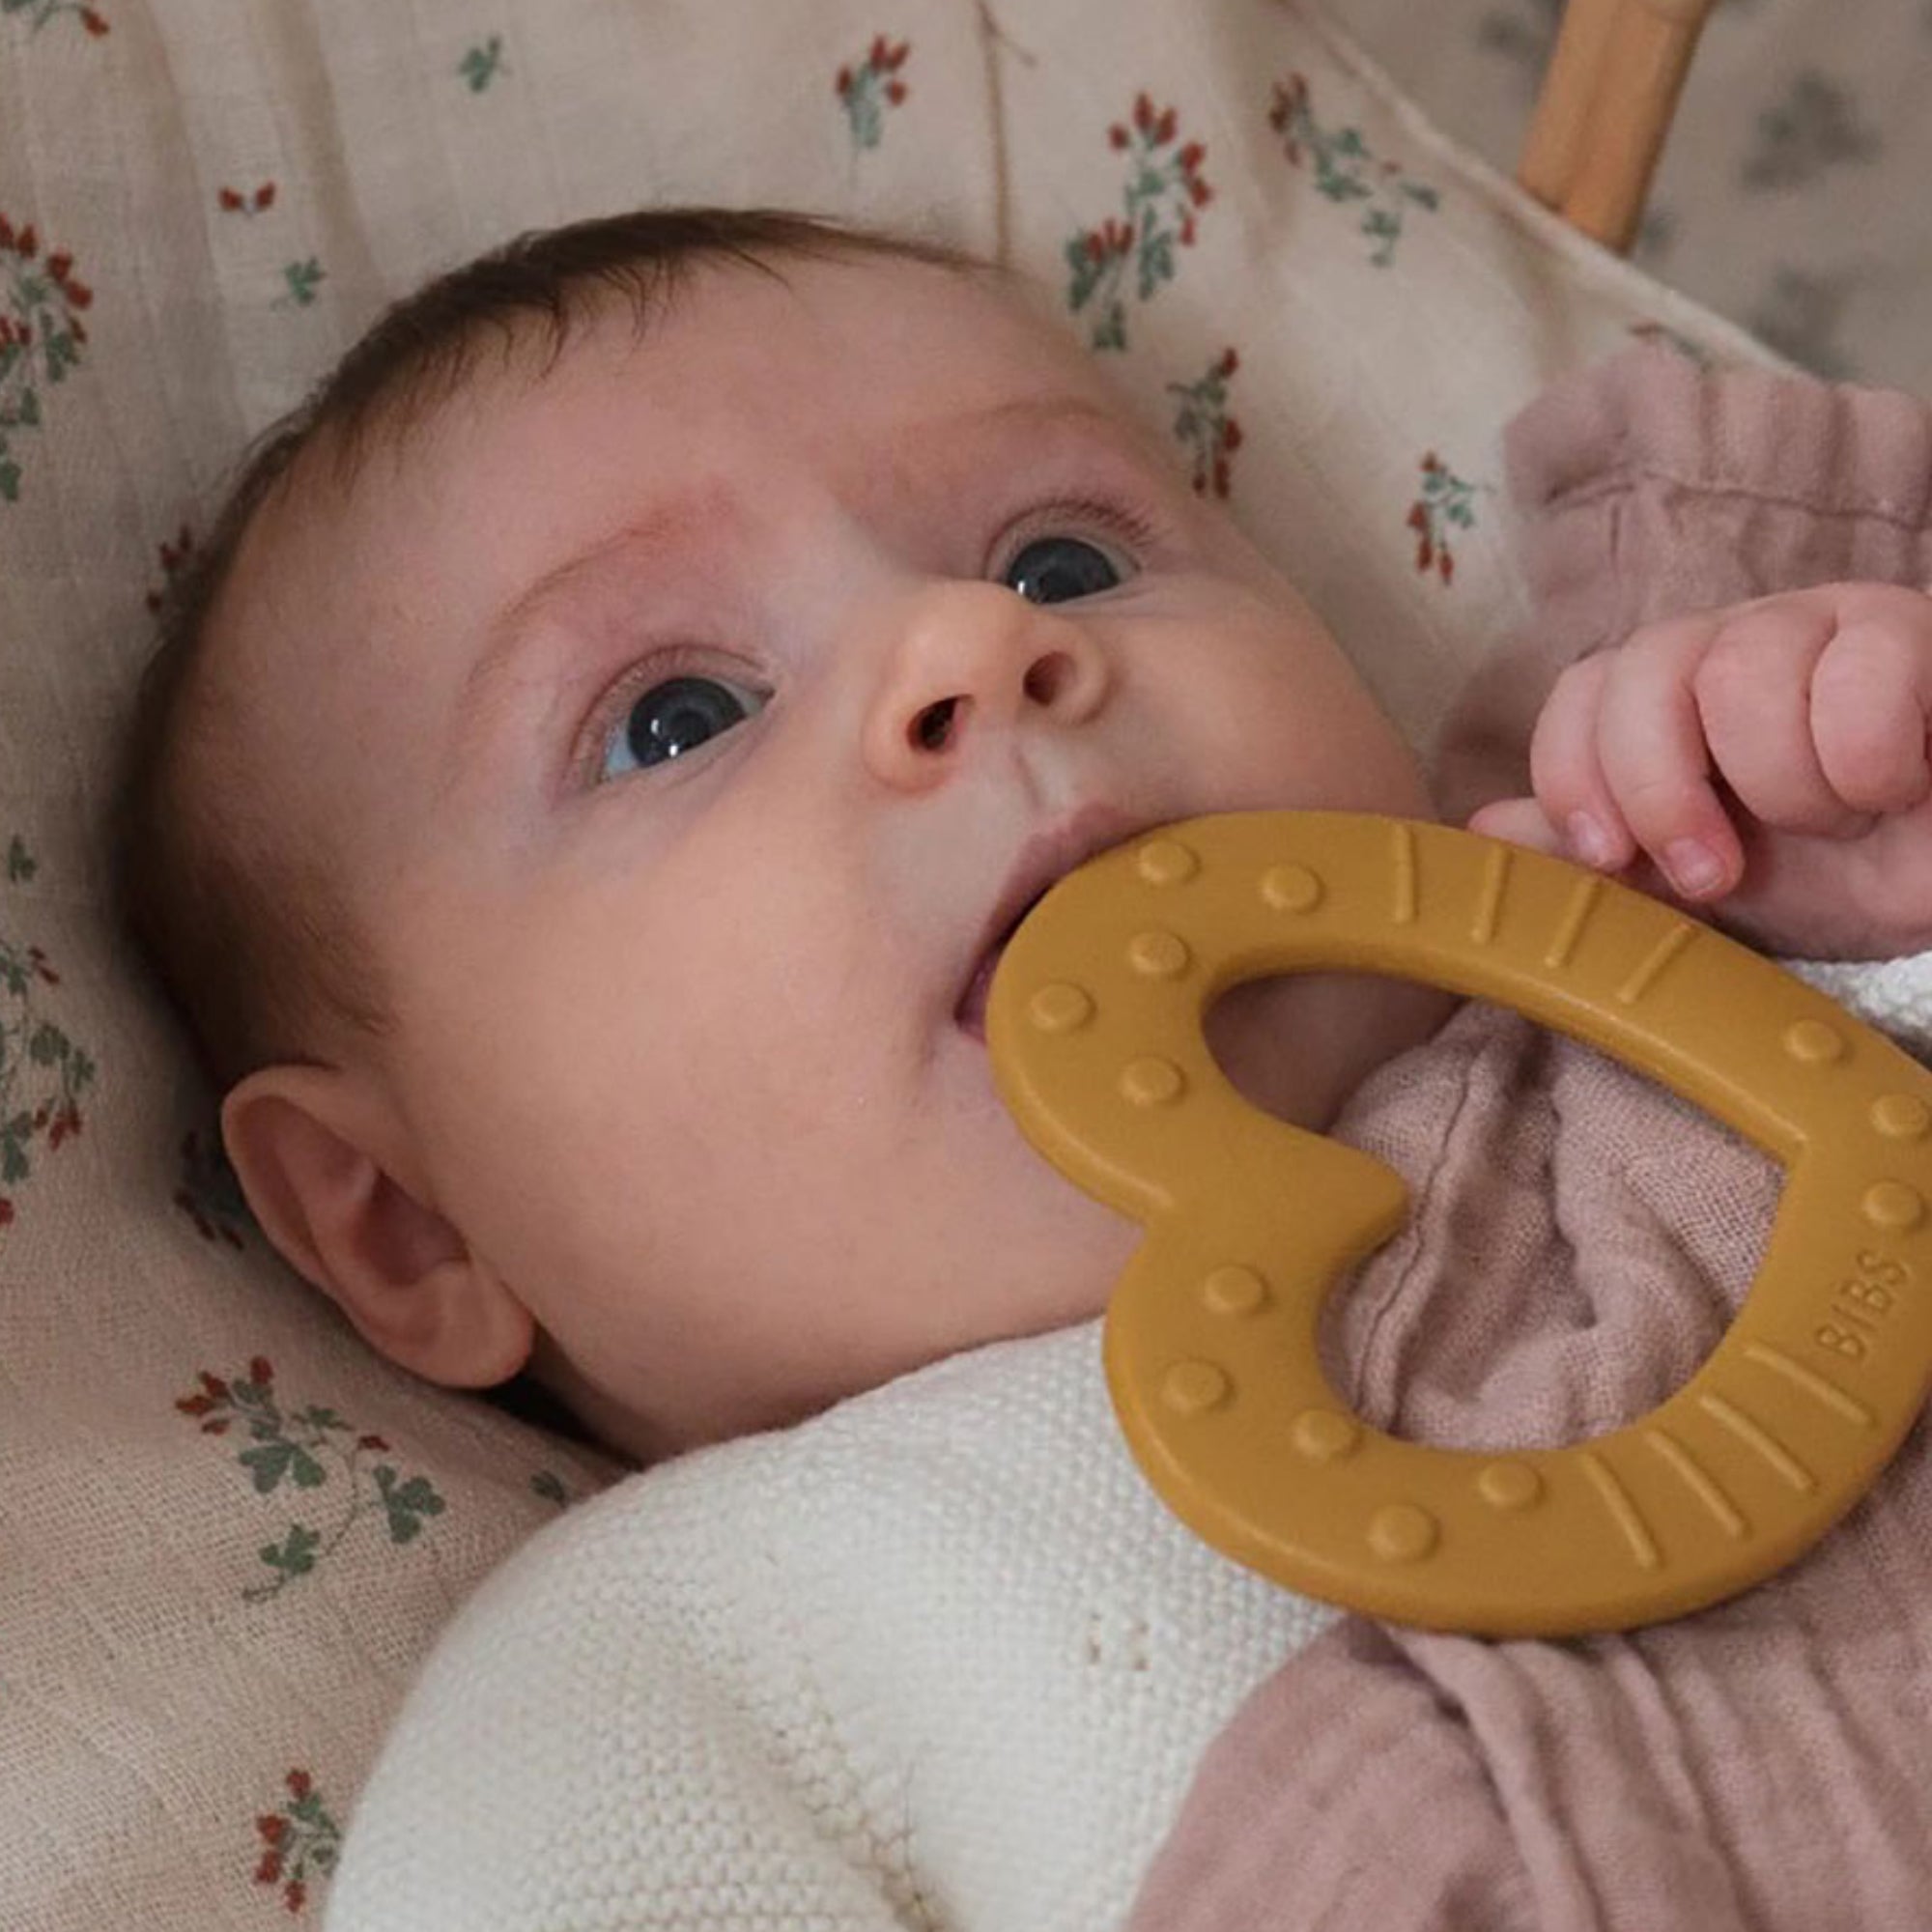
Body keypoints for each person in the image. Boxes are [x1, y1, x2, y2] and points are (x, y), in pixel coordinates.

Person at [113, 207, 1932, 1928]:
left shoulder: (1676, 1019)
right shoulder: (675, 1652)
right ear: (409, 1227)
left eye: (1065, 559)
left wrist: (1864, 885)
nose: (980, 642)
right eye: (677, 717)